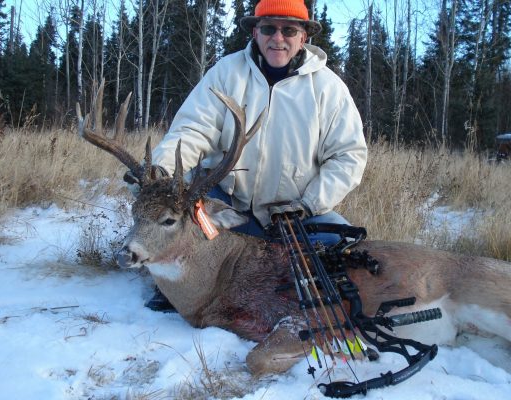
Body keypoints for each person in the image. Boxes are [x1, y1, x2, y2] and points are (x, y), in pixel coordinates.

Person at [143, 0, 368, 310]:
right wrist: (159, 171)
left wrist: (309, 204)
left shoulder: (328, 88)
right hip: (228, 207)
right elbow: (192, 130)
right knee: (183, 219)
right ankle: (177, 285)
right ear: (255, 32)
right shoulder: (227, 72)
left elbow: (348, 156)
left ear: (303, 36)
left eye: (289, 29)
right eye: (268, 28)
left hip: (292, 216)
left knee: (340, 243)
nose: (278, 38)